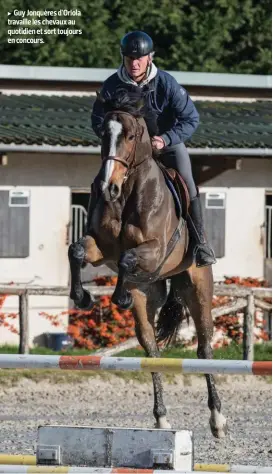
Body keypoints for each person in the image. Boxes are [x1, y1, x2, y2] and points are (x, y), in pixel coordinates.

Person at [91, 31, 216, 267]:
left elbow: (191, 119)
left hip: (166, 146)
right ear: (123, 57)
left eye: (139, 58)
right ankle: (93, 231)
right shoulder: (111, 85)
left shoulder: (166, 83)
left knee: (188, 183)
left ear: (150, 57)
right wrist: (113, 141)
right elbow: (98, 119)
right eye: (129, 58)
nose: (134, 63)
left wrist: (166, 139)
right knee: (101, 180)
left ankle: (200, 243)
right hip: (128, 153)